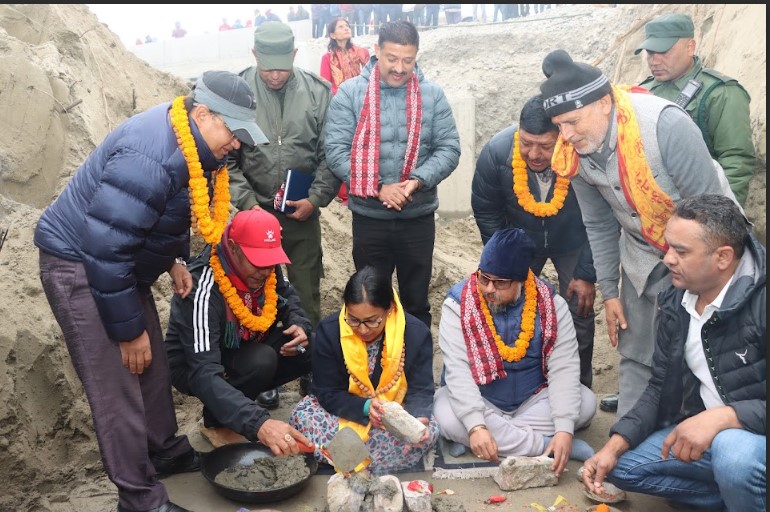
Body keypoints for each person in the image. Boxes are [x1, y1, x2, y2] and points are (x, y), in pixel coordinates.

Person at [34, 70, 267, 512]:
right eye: (233, 133)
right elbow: (104, 248)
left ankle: (164, 451)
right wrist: (127, 331)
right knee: (118, 383)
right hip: (81, 266)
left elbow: (166, 210)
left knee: (153, 368)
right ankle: (139, 499)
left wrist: (174, 259)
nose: (237, 145)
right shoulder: (151, 155)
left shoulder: (194, 146)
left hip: (120, 266)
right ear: (203, 114)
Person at [538, 49, 739, 417]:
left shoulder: (665, 126)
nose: (564, 136)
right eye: (558, 125)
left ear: (602, 103)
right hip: (642, 252)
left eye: (572, 122)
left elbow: (713, 215)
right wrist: (610, 293)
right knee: (637, 351)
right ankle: (629, 444)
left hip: (709, 248)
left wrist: (707, 288)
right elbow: (599, 225)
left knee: (704, 347)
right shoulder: (574, 154)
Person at [580, 194, 766, 511]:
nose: (667, 259)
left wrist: (724, 417)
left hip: (750, 438)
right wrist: (614, 444)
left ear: (723, 257)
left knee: (734, 456)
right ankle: (738, 494)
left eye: (681, 251)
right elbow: (659, 384)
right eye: (668, 247)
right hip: (710, 437)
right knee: (621, 467)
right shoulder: (675, 299)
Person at [228, 21, 339, 407]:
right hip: (251, 215)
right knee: (254, 294)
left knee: (305, 290)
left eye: (282, 67)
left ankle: (308, 366)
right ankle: (266, 372)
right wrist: (249, 209)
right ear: (255, 56)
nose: (275, 76)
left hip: (301, 213)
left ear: (294, 57)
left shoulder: (317, 93)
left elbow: (331, 153)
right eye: (267, 68)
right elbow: (226, 159)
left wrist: (317, 198)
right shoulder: (238, 93)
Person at [324, 20, 461, 329]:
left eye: (408, 60)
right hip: (370, 220)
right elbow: (335, 151)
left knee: (416, 303)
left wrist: (417, 181)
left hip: (418, 218)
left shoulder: (432, 95)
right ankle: (376, 371)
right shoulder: (350, 93)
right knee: (372, 303)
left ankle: (416, 370)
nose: (400, 68)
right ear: (377, 52)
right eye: (392, 59)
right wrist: (378, 188)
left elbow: (449, 148)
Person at [433, 228, 596, 478]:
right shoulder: (457, 304)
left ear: (521, 279)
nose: (489, 288)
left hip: (533, 400)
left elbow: (564, 367)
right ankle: (542, 445)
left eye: (500, 283)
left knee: (585, 403)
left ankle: (483, 438)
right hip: (483, 400)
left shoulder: (552, 304)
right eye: (483, 278)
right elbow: (457, 371)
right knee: (446, 411)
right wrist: (475, 424)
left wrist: (563, 428)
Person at [472, 95, 597, 389]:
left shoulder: (582, 152)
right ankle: (513, 384)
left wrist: (586, 273)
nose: (534, 153)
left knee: (579, 308)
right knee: (506, 304)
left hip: (572, 240)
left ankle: (577, 390)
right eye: (527, 143)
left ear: (561, 136)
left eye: (545, 145)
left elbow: (601, 217)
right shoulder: (496, 153)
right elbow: (487, 211)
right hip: (520, 240)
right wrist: (505, 264)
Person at [164, 209, 315, 452]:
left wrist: (299, 323)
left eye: (270, 263)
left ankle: (239, 406)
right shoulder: (201, 287)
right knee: (260, 361)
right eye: (257, 262)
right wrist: (259, 424)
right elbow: (203, 370)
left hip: (245, 342)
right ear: (233, 247)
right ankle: (217, 422)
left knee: (309, 346)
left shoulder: (266, 267)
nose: (265, 271)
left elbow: (287, 295)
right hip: (195, 363)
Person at [289, 266, 439, 475]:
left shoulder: (415, 333)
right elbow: (326, 391)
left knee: (430, 429)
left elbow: (421, 390)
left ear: (390, 309)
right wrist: (366, 407)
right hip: (344, 411)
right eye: (354, 319)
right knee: (304, 415)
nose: (362, 329)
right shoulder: (330, 329)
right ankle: (364, 463)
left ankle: (345, 460)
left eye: (371, 321)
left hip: (393, 415)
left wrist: (416, 420)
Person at [635, 13, 755, 207]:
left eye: (663, 52)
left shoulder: (719, 92)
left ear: (690, 47)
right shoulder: (642, 92)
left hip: (700, 203)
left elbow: (736, 160)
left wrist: (718, 213)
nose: (654, 61)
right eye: (650, 52)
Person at [320, 17, 371, 205]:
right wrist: (345, 97)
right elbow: (326, 84)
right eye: (341, 27)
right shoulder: (327, 58)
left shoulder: (362, 53)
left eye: (347, 26)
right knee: (343, 148)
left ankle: (366, 189)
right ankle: (345, 193)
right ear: (332, 34)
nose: (346, 29)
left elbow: (371, 77)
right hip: (341, 109)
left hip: (365, 108)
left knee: (365, 148)